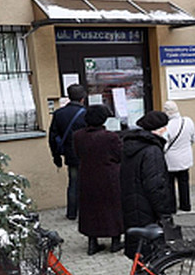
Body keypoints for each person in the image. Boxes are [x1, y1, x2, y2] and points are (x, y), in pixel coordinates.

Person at [73, 105, 124, 255]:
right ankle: (115, 241)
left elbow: (78, 155)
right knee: (113, 208)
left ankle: (92, 243)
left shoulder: (77, 136)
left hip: (87, 176)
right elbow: (119, 155)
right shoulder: (110, 137)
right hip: (109, 177)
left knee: (90, 208)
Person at [120, 111, 176, 231]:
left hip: (132, 204)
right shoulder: (152, 150)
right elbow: (156, 185)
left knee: (135, 242)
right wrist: (164, 212)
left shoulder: (131, 145)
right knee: (148, 244)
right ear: (160, 129)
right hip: (147, 208)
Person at [48, 84, 87, 220]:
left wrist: (56, 156)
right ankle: (87, 211)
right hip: (86, 155)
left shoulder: (59, 114)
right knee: (89, 183)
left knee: (73, 183)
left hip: (70, 154)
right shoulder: (86, 114)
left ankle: (71, 213)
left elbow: (52, 137)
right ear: (83, 98)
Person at [163, 100, 195, 212]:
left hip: (171, 160)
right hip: (185, 158)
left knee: (170, 184)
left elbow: (164, 144)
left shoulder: (167, 126)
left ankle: (172, 207)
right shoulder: (188, 121)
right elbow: (193, 139)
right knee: (184, 182)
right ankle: (186, 205)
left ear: (167, 112)